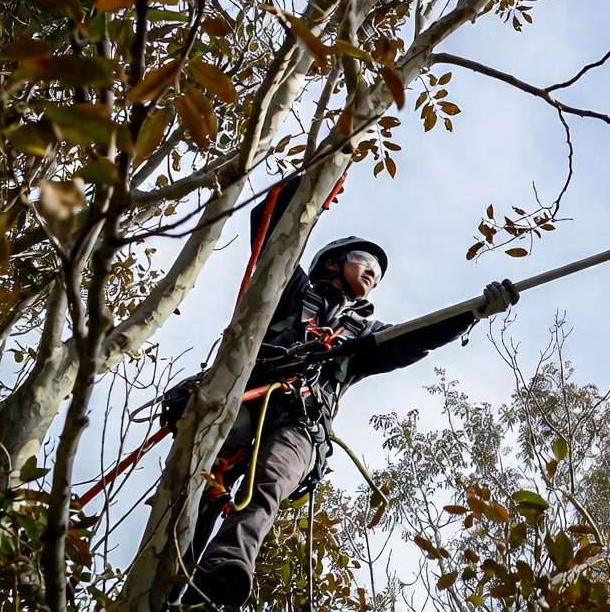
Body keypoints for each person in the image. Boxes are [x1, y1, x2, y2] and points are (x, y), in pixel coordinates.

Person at [179, 183, 517, 608]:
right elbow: (270, 232)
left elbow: (415, 338)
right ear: (334, 263)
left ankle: (223, 569)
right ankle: (177, 567)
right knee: (207, 470)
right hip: (249, 397)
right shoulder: (291, 292)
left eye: (378, 273)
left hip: (303, 425)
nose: (373, 273)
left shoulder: (364, 336)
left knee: (268, 485)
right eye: (365, 262)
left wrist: (472, 313)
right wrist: (308, 190)